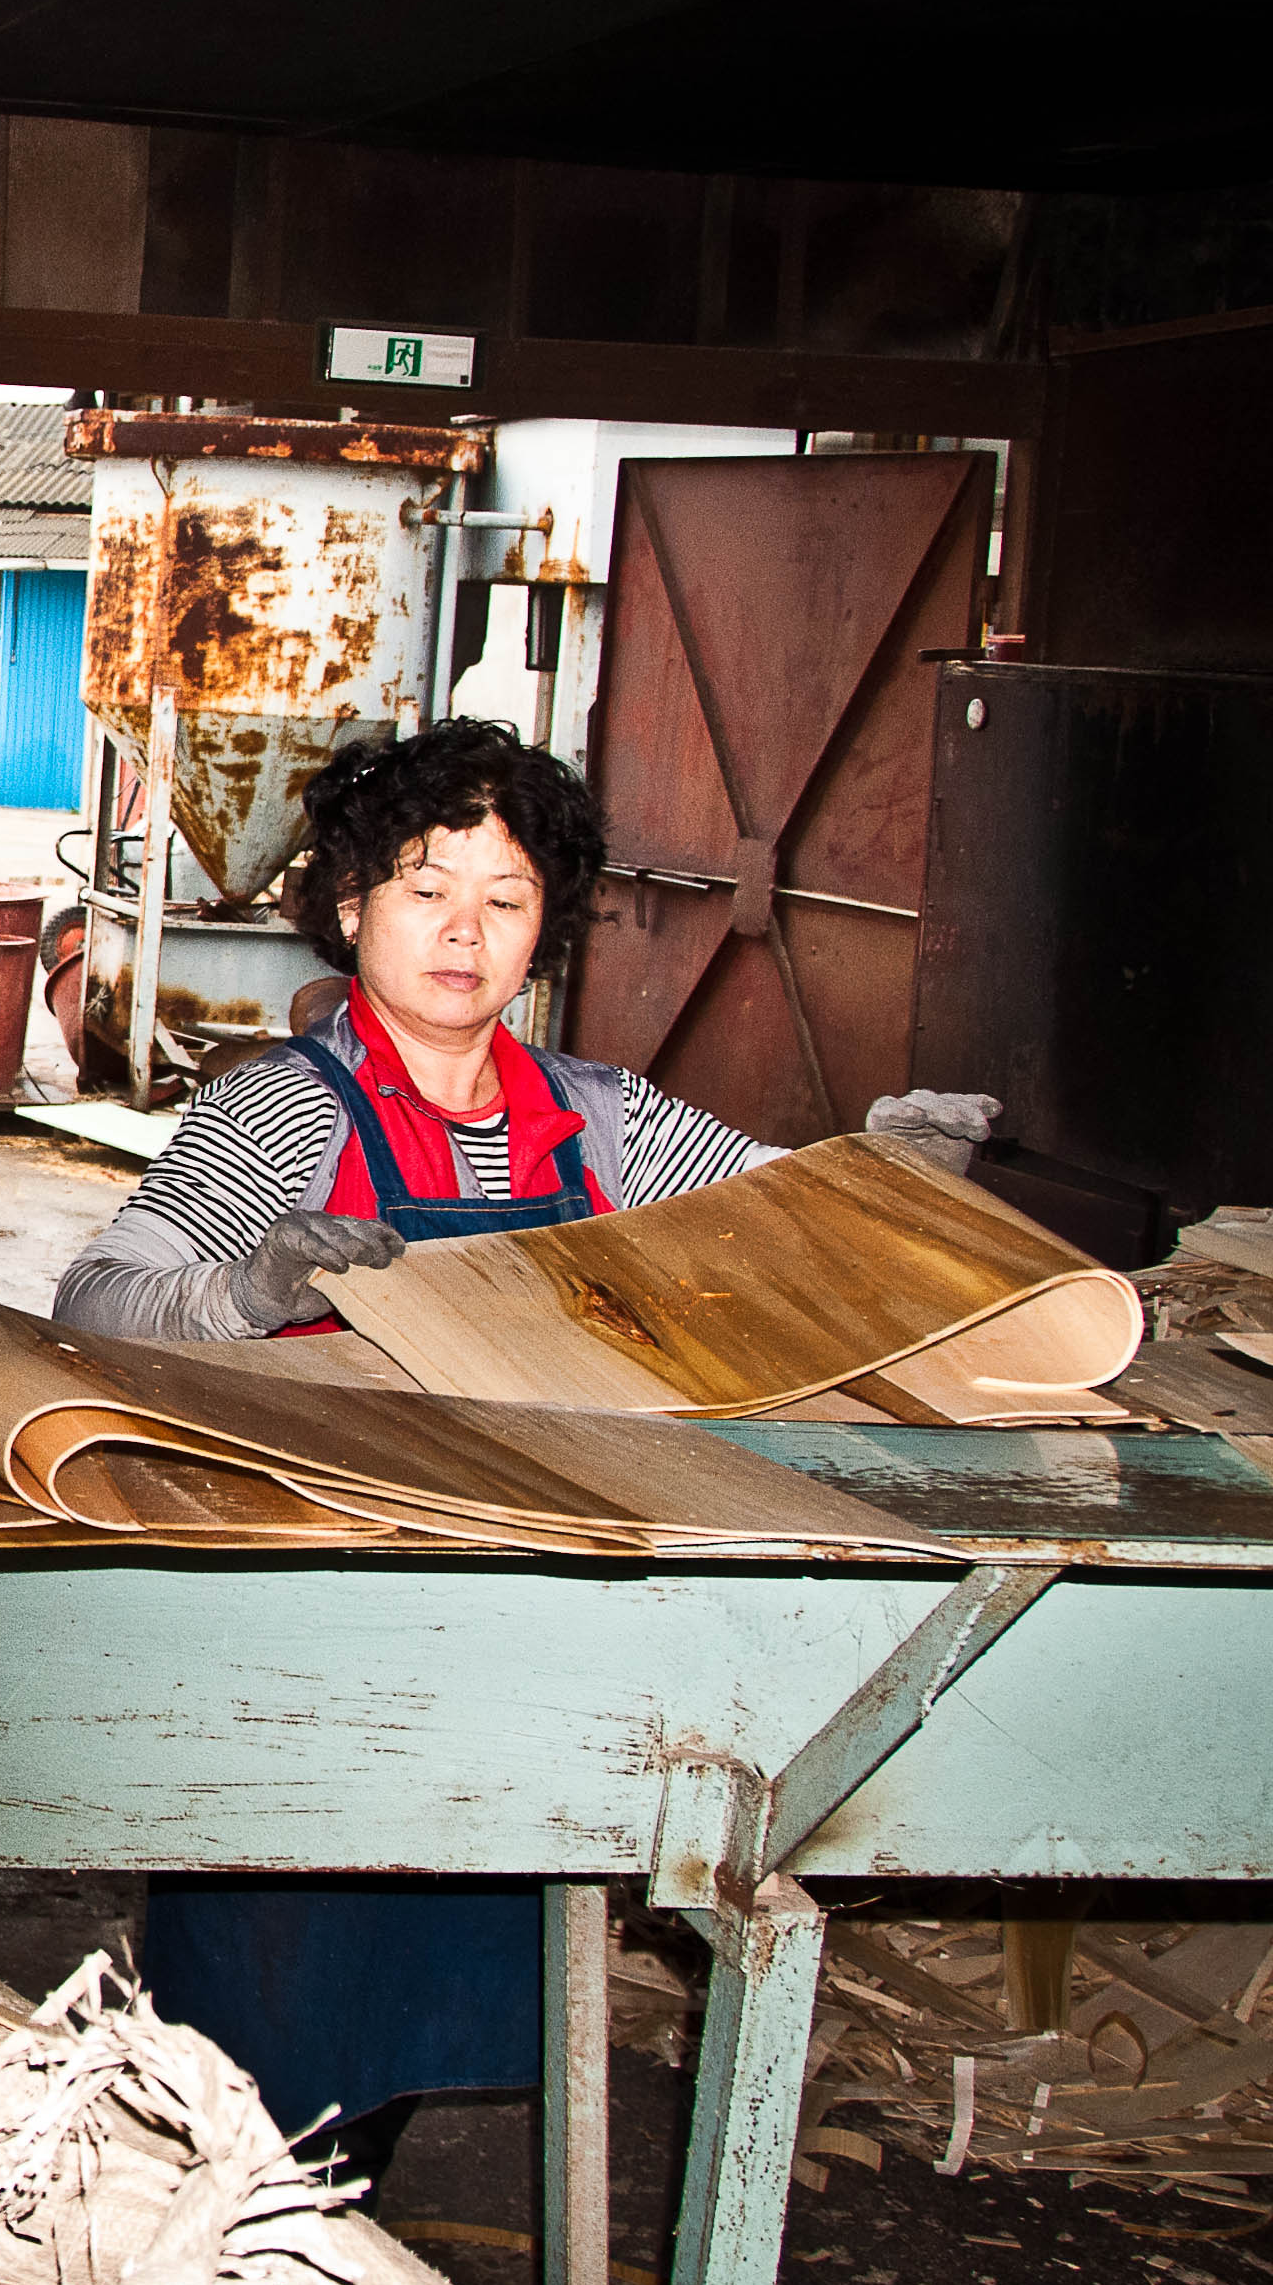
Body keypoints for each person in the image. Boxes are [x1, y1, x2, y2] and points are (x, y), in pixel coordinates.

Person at [51, 719, 993, 2180]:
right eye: (427, 888)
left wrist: (882, 1179)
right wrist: (244, 1291)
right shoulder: (276, 1110)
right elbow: (95, 1305)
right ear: (352, 903)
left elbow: (784, 1223)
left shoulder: (602, 1125)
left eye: (505, 899)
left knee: (453, 1974)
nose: (463, 931)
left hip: (513, 1637)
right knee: (258, 2024)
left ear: (543, 931)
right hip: (306, 1626)